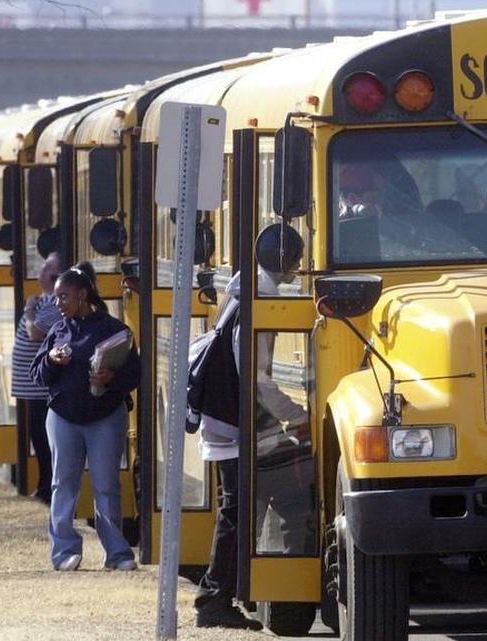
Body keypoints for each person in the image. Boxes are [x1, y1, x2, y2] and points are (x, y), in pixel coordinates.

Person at [193, 223, 310, 629]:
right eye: (296, 261)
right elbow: (255, 377)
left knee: (241, 507)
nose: (298, 270)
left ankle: (232, 591)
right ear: (285, 261)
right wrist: (296, 415)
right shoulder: (261, 296)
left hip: (230, 416)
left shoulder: (242, 287)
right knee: (242, 509)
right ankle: (215, 598)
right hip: (235, 419)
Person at [30, 261, 140, 572]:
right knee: (63, 484)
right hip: (64, 417)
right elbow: (37, 374)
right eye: (55, 297)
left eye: (63, 296)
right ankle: (64, 550)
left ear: (82, 295)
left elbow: (135, 373)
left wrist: (110, 380)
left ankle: (117, 553)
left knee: (106, 485)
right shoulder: (58, 331)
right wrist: (52, 360)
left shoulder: (115, 330)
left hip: (105, 416)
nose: (57, 303)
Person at [9, 252, 64, 504]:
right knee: (38, 439)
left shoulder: (53, 303)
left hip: (41, 388)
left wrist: (30, 309)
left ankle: (47, 488)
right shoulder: (44, 299)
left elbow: (36, 333)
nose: (40, 273)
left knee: (43, 441)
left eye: (47, 269)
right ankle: (43, 485)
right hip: (31, 387)